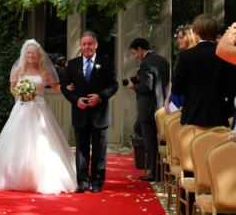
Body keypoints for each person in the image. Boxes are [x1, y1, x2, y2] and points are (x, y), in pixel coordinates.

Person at [0, 39, 77, 194]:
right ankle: (13, 176)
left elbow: (56, 87)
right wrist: (21, 93)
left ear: (38, 55)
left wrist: (67, 88)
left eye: (34, 53)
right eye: (28, 53)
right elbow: (12, 89)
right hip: (22, 109)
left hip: (39, 110)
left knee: (42, 142)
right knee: (17, 142)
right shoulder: (18, 71)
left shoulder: (44, 72)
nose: (31, 56)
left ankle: (42, 178)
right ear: (24, 54)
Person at [60, 31, 118, 193]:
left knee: (99, 150)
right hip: (80, 113)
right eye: (84, 44)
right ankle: (83, 181)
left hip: (100, 114)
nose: (87, 47)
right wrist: (75, 99)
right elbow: (65, 87)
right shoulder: (72, 64)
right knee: (81, 149)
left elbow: (114, 85)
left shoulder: (105, 62)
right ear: (81, 46)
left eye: (90, 44)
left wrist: (100, 96)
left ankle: (97, 181)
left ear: (96, 45)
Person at [172, 14, 234, 127]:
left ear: (196, 32)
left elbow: (177, 88)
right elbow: (231, 87)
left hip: (192, 115)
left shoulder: (186, 56)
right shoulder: (225, 54)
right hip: (219, 115)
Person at [128, 38, 170, 181]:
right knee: (159, 139)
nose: (135, 57)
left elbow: (147, 86)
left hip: (147, 107)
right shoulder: (163, 60)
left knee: (149, 141)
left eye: (134, 53)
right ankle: (161, 170)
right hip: (161, 106)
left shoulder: (146, 63)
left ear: (140, 49)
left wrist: (134, 87)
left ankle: (153, 172)